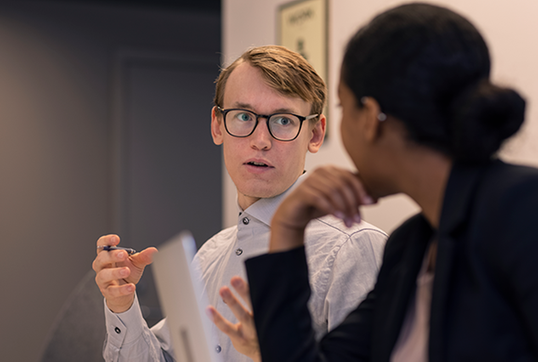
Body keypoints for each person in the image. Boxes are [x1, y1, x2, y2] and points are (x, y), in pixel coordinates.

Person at [225, 3, 538, 362]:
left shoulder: (523, 208)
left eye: (341, 107)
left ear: (371, 119)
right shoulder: (410, 247)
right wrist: (288, 227)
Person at [92, 45, 387, 362]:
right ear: (218, 125)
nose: (261, 140)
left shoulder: (352, 247)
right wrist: (122, 305)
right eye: (244, 117)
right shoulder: (211, 253)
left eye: (284, 121)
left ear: (314, 134)